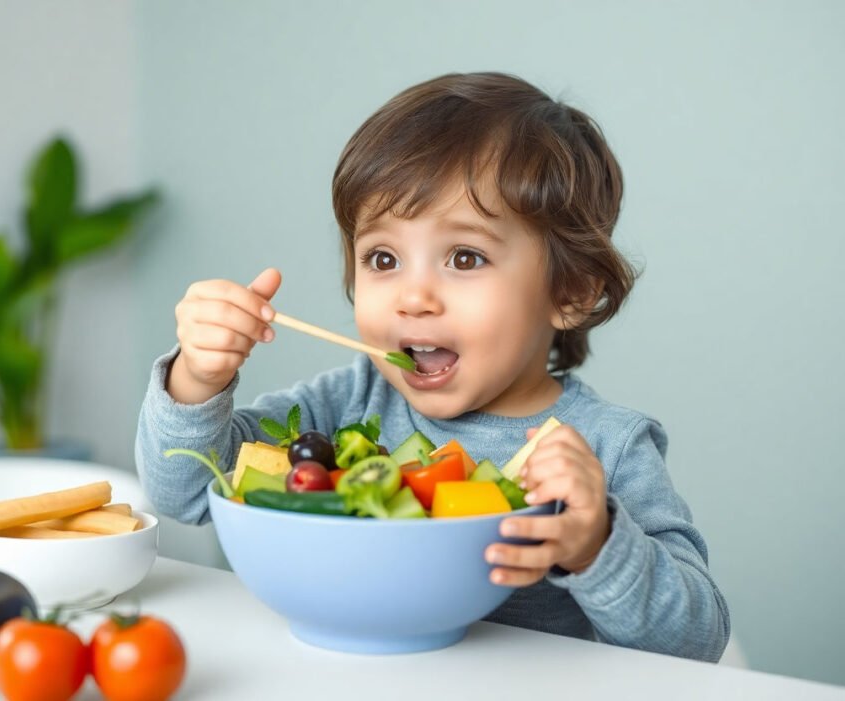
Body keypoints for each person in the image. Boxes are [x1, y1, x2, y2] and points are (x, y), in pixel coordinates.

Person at [135, 72, 730, 662]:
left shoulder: (606, 449)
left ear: (570, 289)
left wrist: (598, 544)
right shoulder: (346, 404)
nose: (413, 297)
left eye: (464, 257)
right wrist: (198, 378)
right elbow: (182, 490)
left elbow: (698, 639)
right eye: (383, 258)